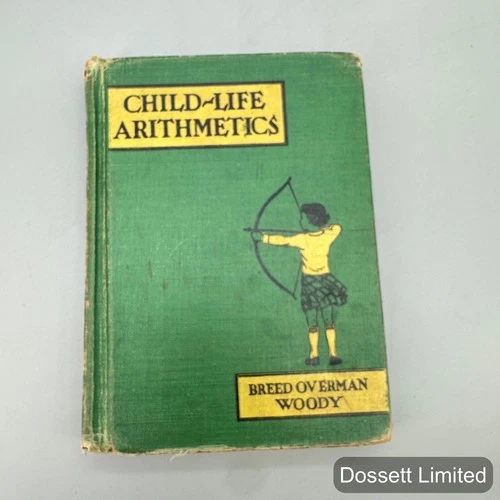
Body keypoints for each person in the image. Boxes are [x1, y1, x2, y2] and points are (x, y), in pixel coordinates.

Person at [253, 203, 347, 366]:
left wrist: (262, 237)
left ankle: (315, 355)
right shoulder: (328, 234)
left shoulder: (302, 239)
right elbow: (336, 227)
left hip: (311, 282)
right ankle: (332, 354)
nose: (300, 221)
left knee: (312, 322)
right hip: (325, 280)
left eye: (303, 218)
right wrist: (319, 229)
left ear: (312, 219)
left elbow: (282, 240)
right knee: (328, 320)